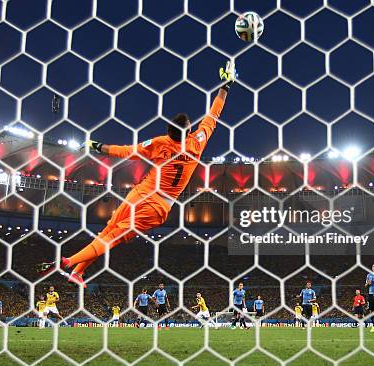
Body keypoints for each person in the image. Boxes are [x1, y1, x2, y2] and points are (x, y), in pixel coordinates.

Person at [40, 62, 236, 286]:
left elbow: (127, 152)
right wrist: (226, 86)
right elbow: (214, 115)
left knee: (108, 230)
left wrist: (97, 146)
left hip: (142, 192)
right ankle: (68, 263)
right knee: (114, 237)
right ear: (189, 131)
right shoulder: (198, 142)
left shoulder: (161, 143)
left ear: (169, 132)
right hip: (158, 205)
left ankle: (77, 270)